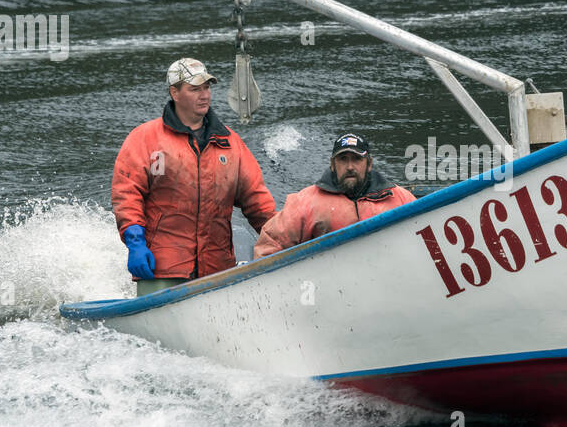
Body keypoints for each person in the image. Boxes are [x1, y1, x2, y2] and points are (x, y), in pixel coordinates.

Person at [112, 58, 276, 294]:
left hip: (218, 270)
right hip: (162, 269)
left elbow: (257, 201)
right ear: (175, 93)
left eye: (207, 87)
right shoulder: (144, 139)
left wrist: (281, 239)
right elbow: (127, 195)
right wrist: (135, 243)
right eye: (195, 89)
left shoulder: (230, 143)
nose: (204, 95)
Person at [253, 133, 415, 257]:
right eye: (343, 159)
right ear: (332, 165)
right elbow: (270, 246)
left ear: (369, 164)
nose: (350, 166)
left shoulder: (400, 199)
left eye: (357, 159)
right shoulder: (306, 203)